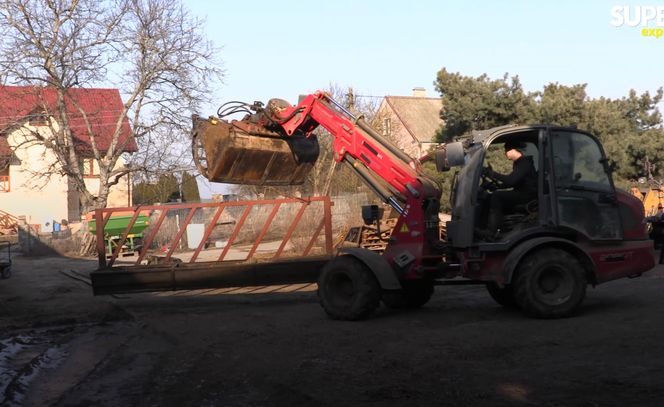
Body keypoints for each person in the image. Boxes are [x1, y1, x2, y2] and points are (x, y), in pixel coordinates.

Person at [482, 140, 537, 239]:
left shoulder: (524, 163)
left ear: (514, 150)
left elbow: (511, 181)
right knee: (492, 195)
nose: (505, 153)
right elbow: (515, 182)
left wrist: (492, 174)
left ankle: (491, 232)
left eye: (506, 150)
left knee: (497, 196)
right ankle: (497, 228)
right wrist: (497, 186)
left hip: (526, 196)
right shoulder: (519, 163)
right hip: (522, 193)